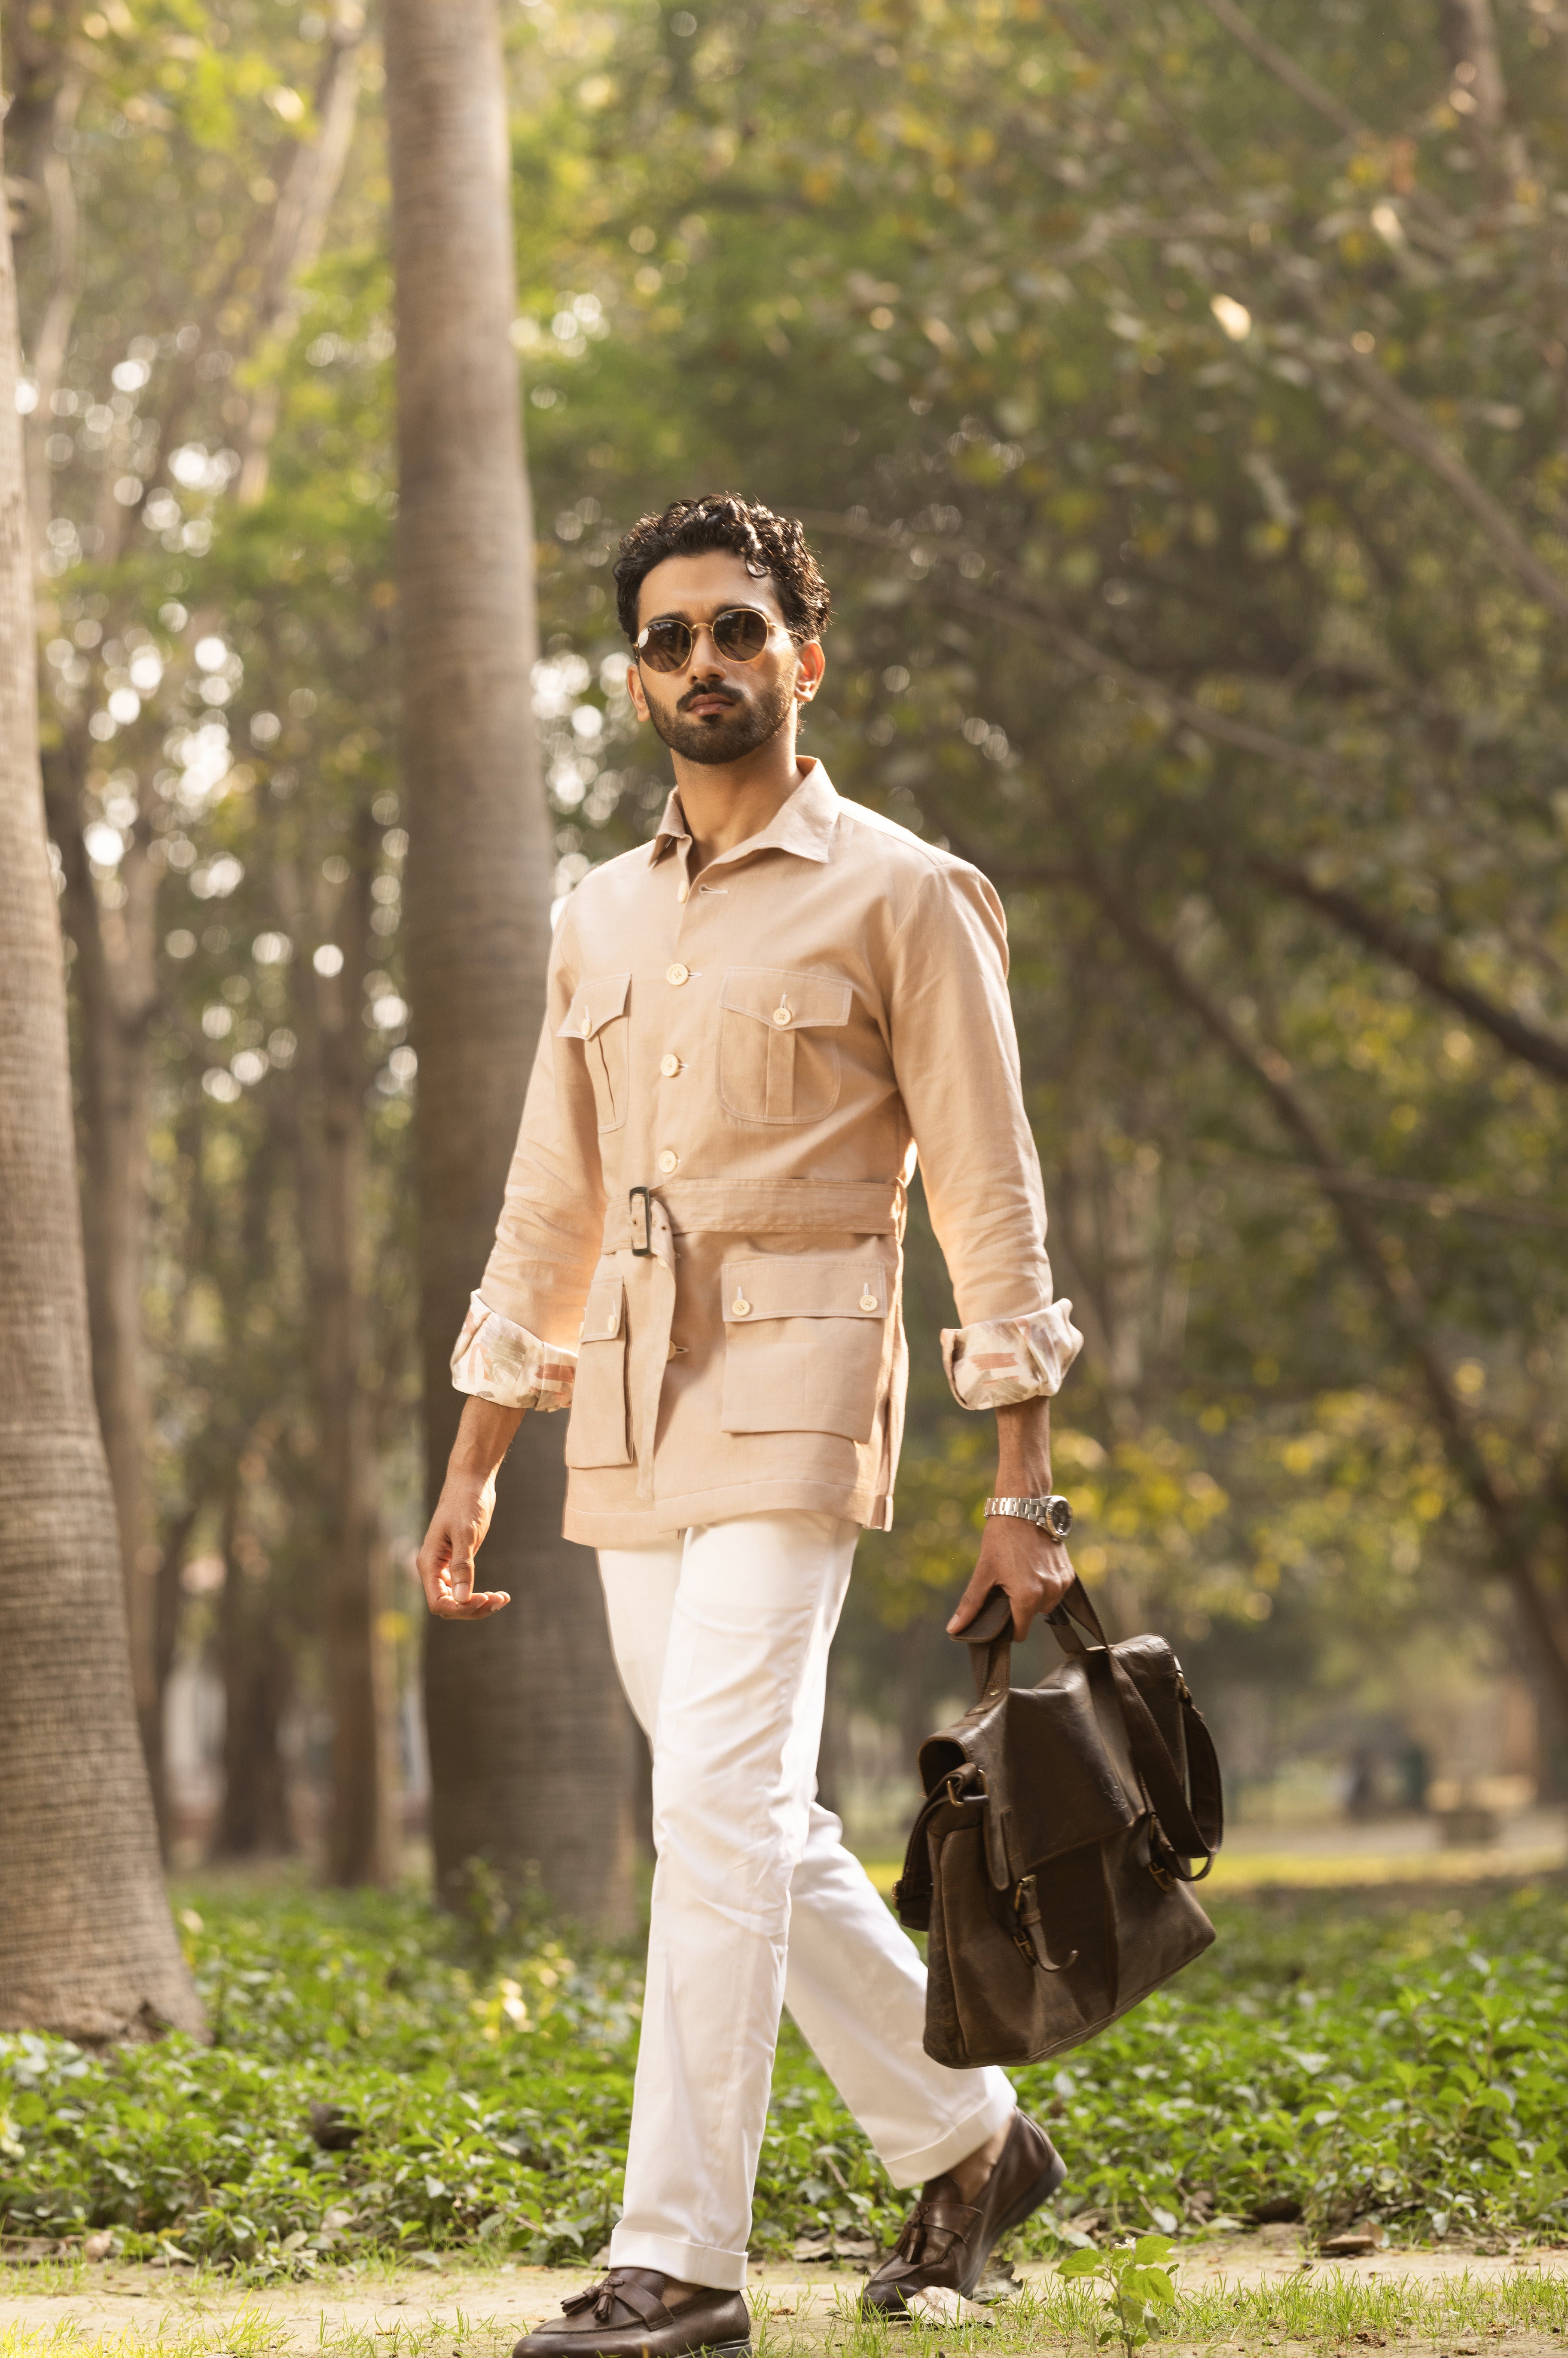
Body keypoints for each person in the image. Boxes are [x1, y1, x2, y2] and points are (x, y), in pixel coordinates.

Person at [415, 495, 1085, 2358]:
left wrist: (1026, 1485)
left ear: (806, 652)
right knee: (754, 1812)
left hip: (804, 1377)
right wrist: (476, 1456)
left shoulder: (908, 891)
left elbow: (990, 1195)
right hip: (622, 1401)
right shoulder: (598, 913)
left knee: (706, 1798)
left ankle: (679, 2262)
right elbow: (546, 1201)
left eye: (736, 628)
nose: (702, 662)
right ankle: (968, 2137)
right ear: (635, 682)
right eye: (667, 639)